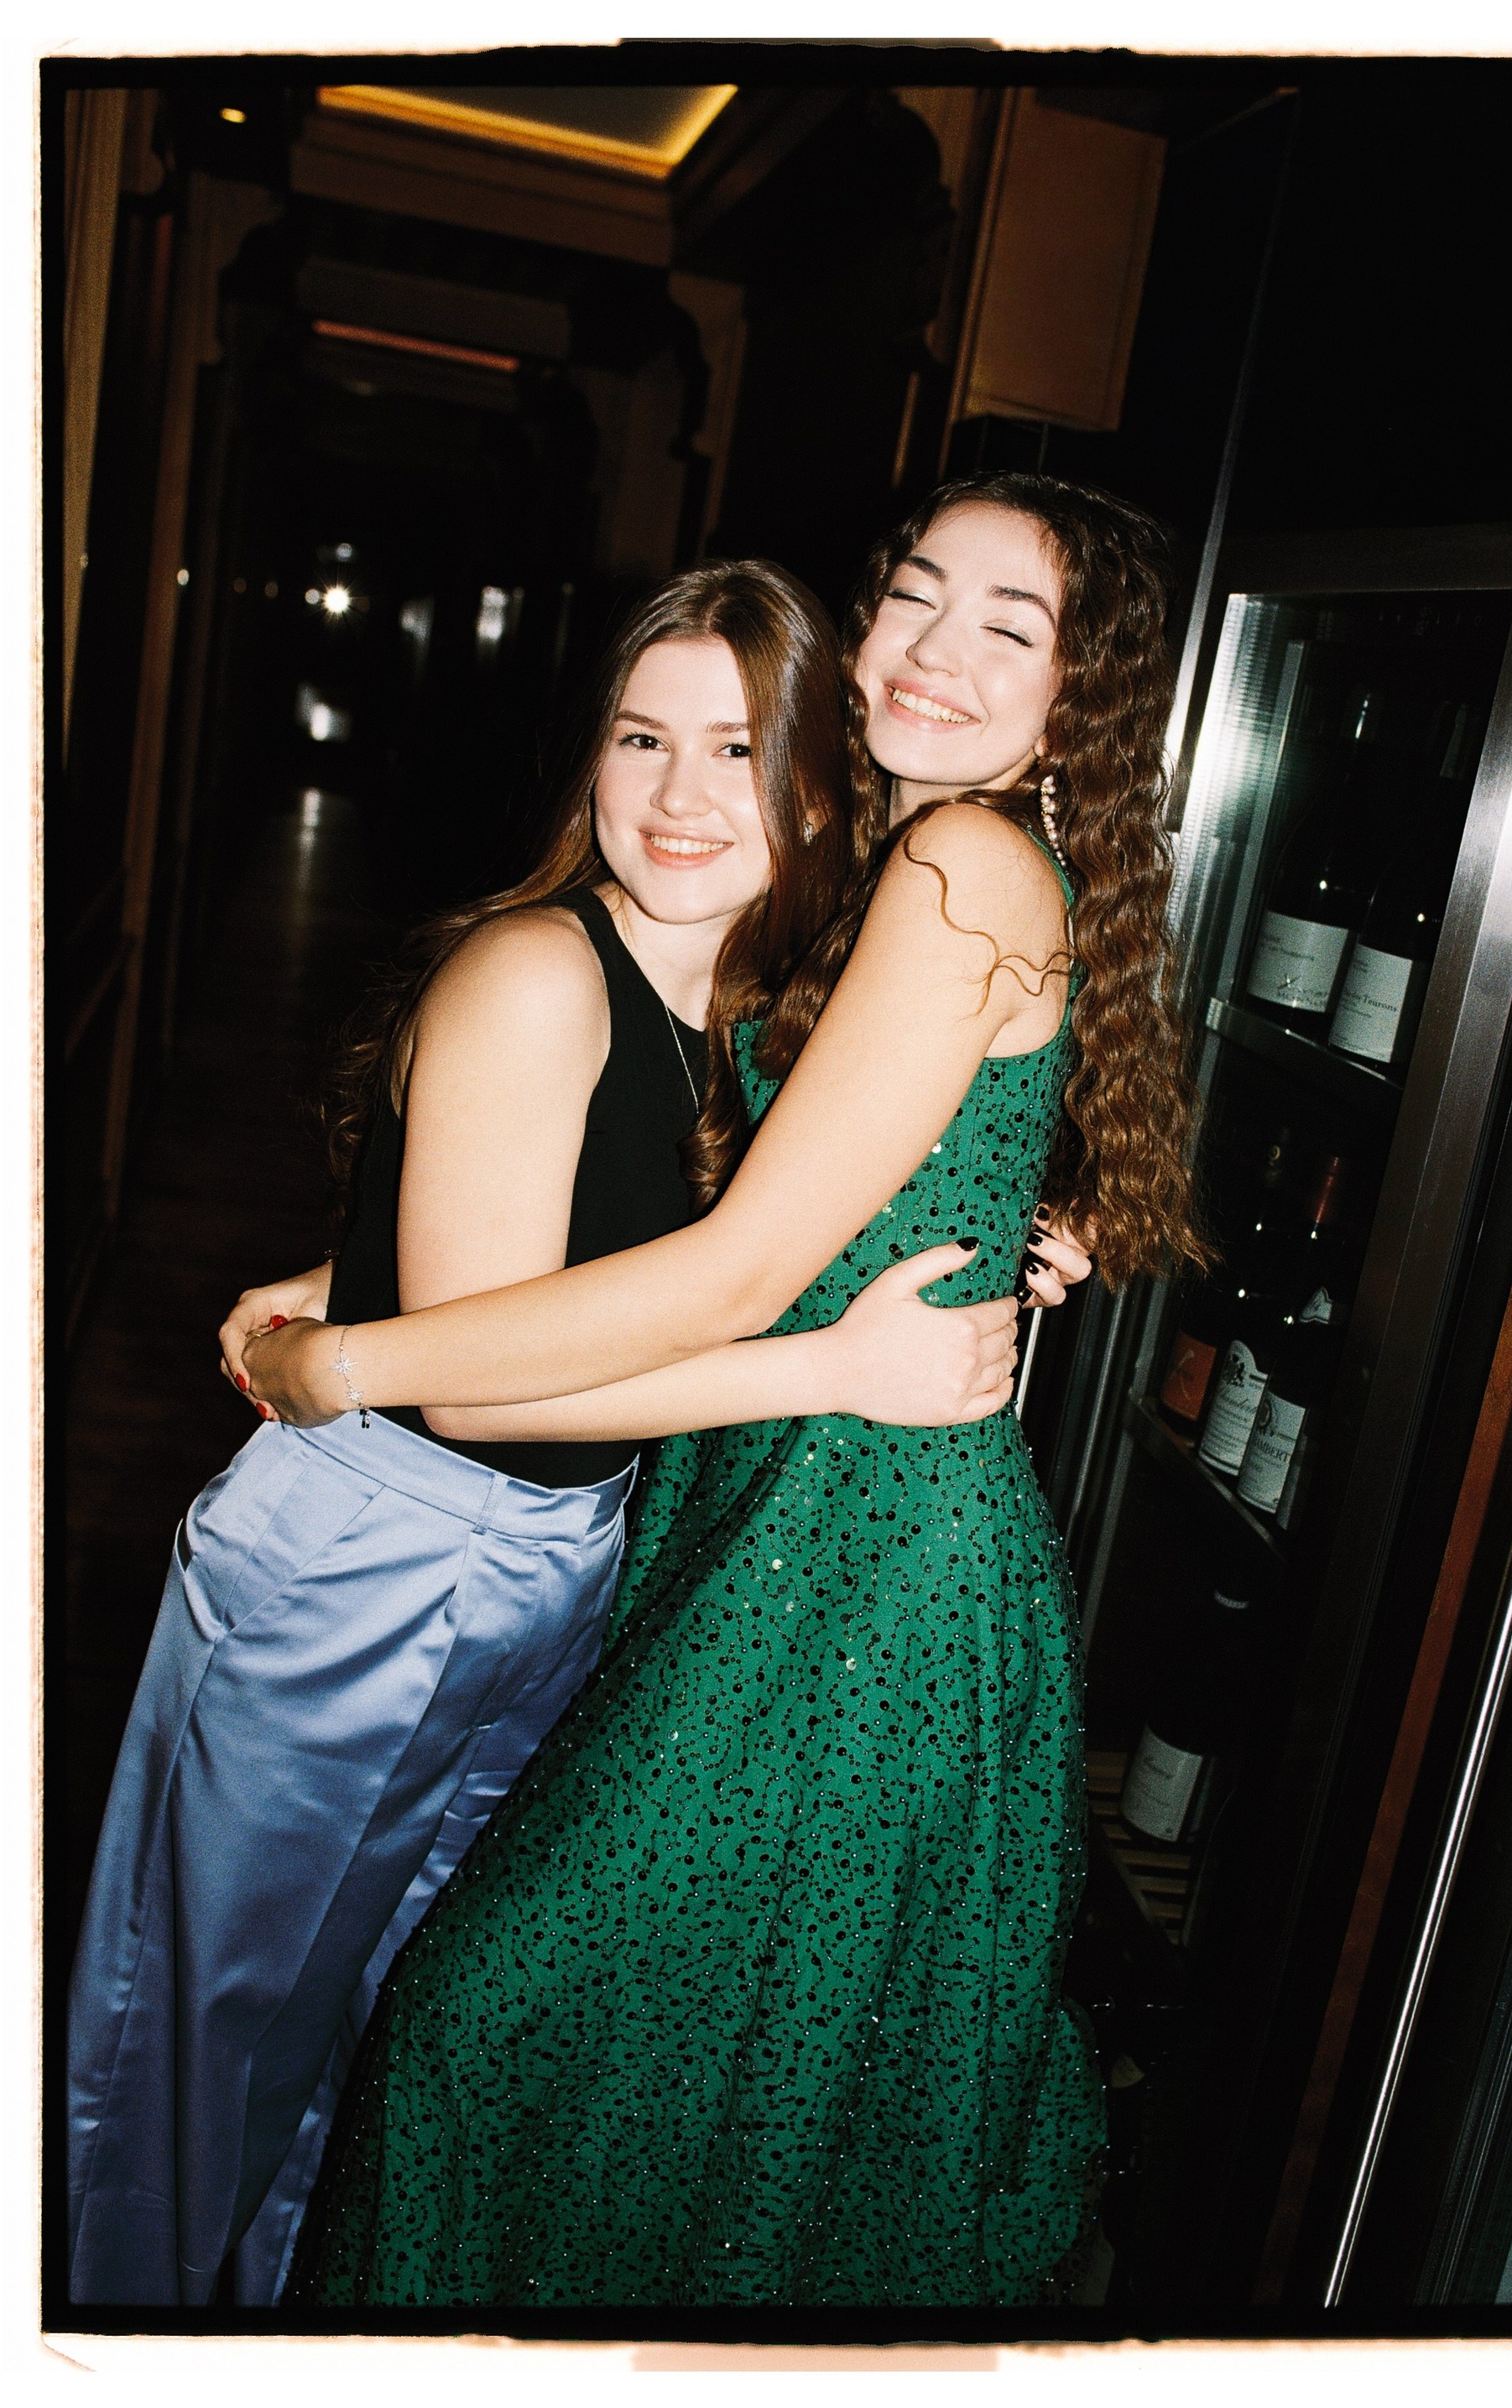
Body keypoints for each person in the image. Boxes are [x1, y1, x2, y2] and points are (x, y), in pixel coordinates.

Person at [250, 472, 1204, 2308]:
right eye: (914, 595)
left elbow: (740, 1272)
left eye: (1008, 627)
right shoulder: (893, 860)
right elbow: (760, 1183)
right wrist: (357, 1272)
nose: (931, 650)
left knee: (492, 2032)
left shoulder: (961, 863)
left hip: (860, 1568)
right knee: (684, 2107)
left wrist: (348, 1363)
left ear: (1078, 693)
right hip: (782, 1505)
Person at [66, 560, 1051, 2310]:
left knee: (372, 2038)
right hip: (378, 1547)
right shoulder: (540, 969)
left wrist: (1043, 1220)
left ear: (815, 787)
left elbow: (590, 1245)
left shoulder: (743, 1006)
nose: (679, 794)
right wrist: (837, 1368)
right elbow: (482, 1381)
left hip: (546, 1564)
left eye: (736, 749)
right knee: (196, 2052)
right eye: (639, 737)